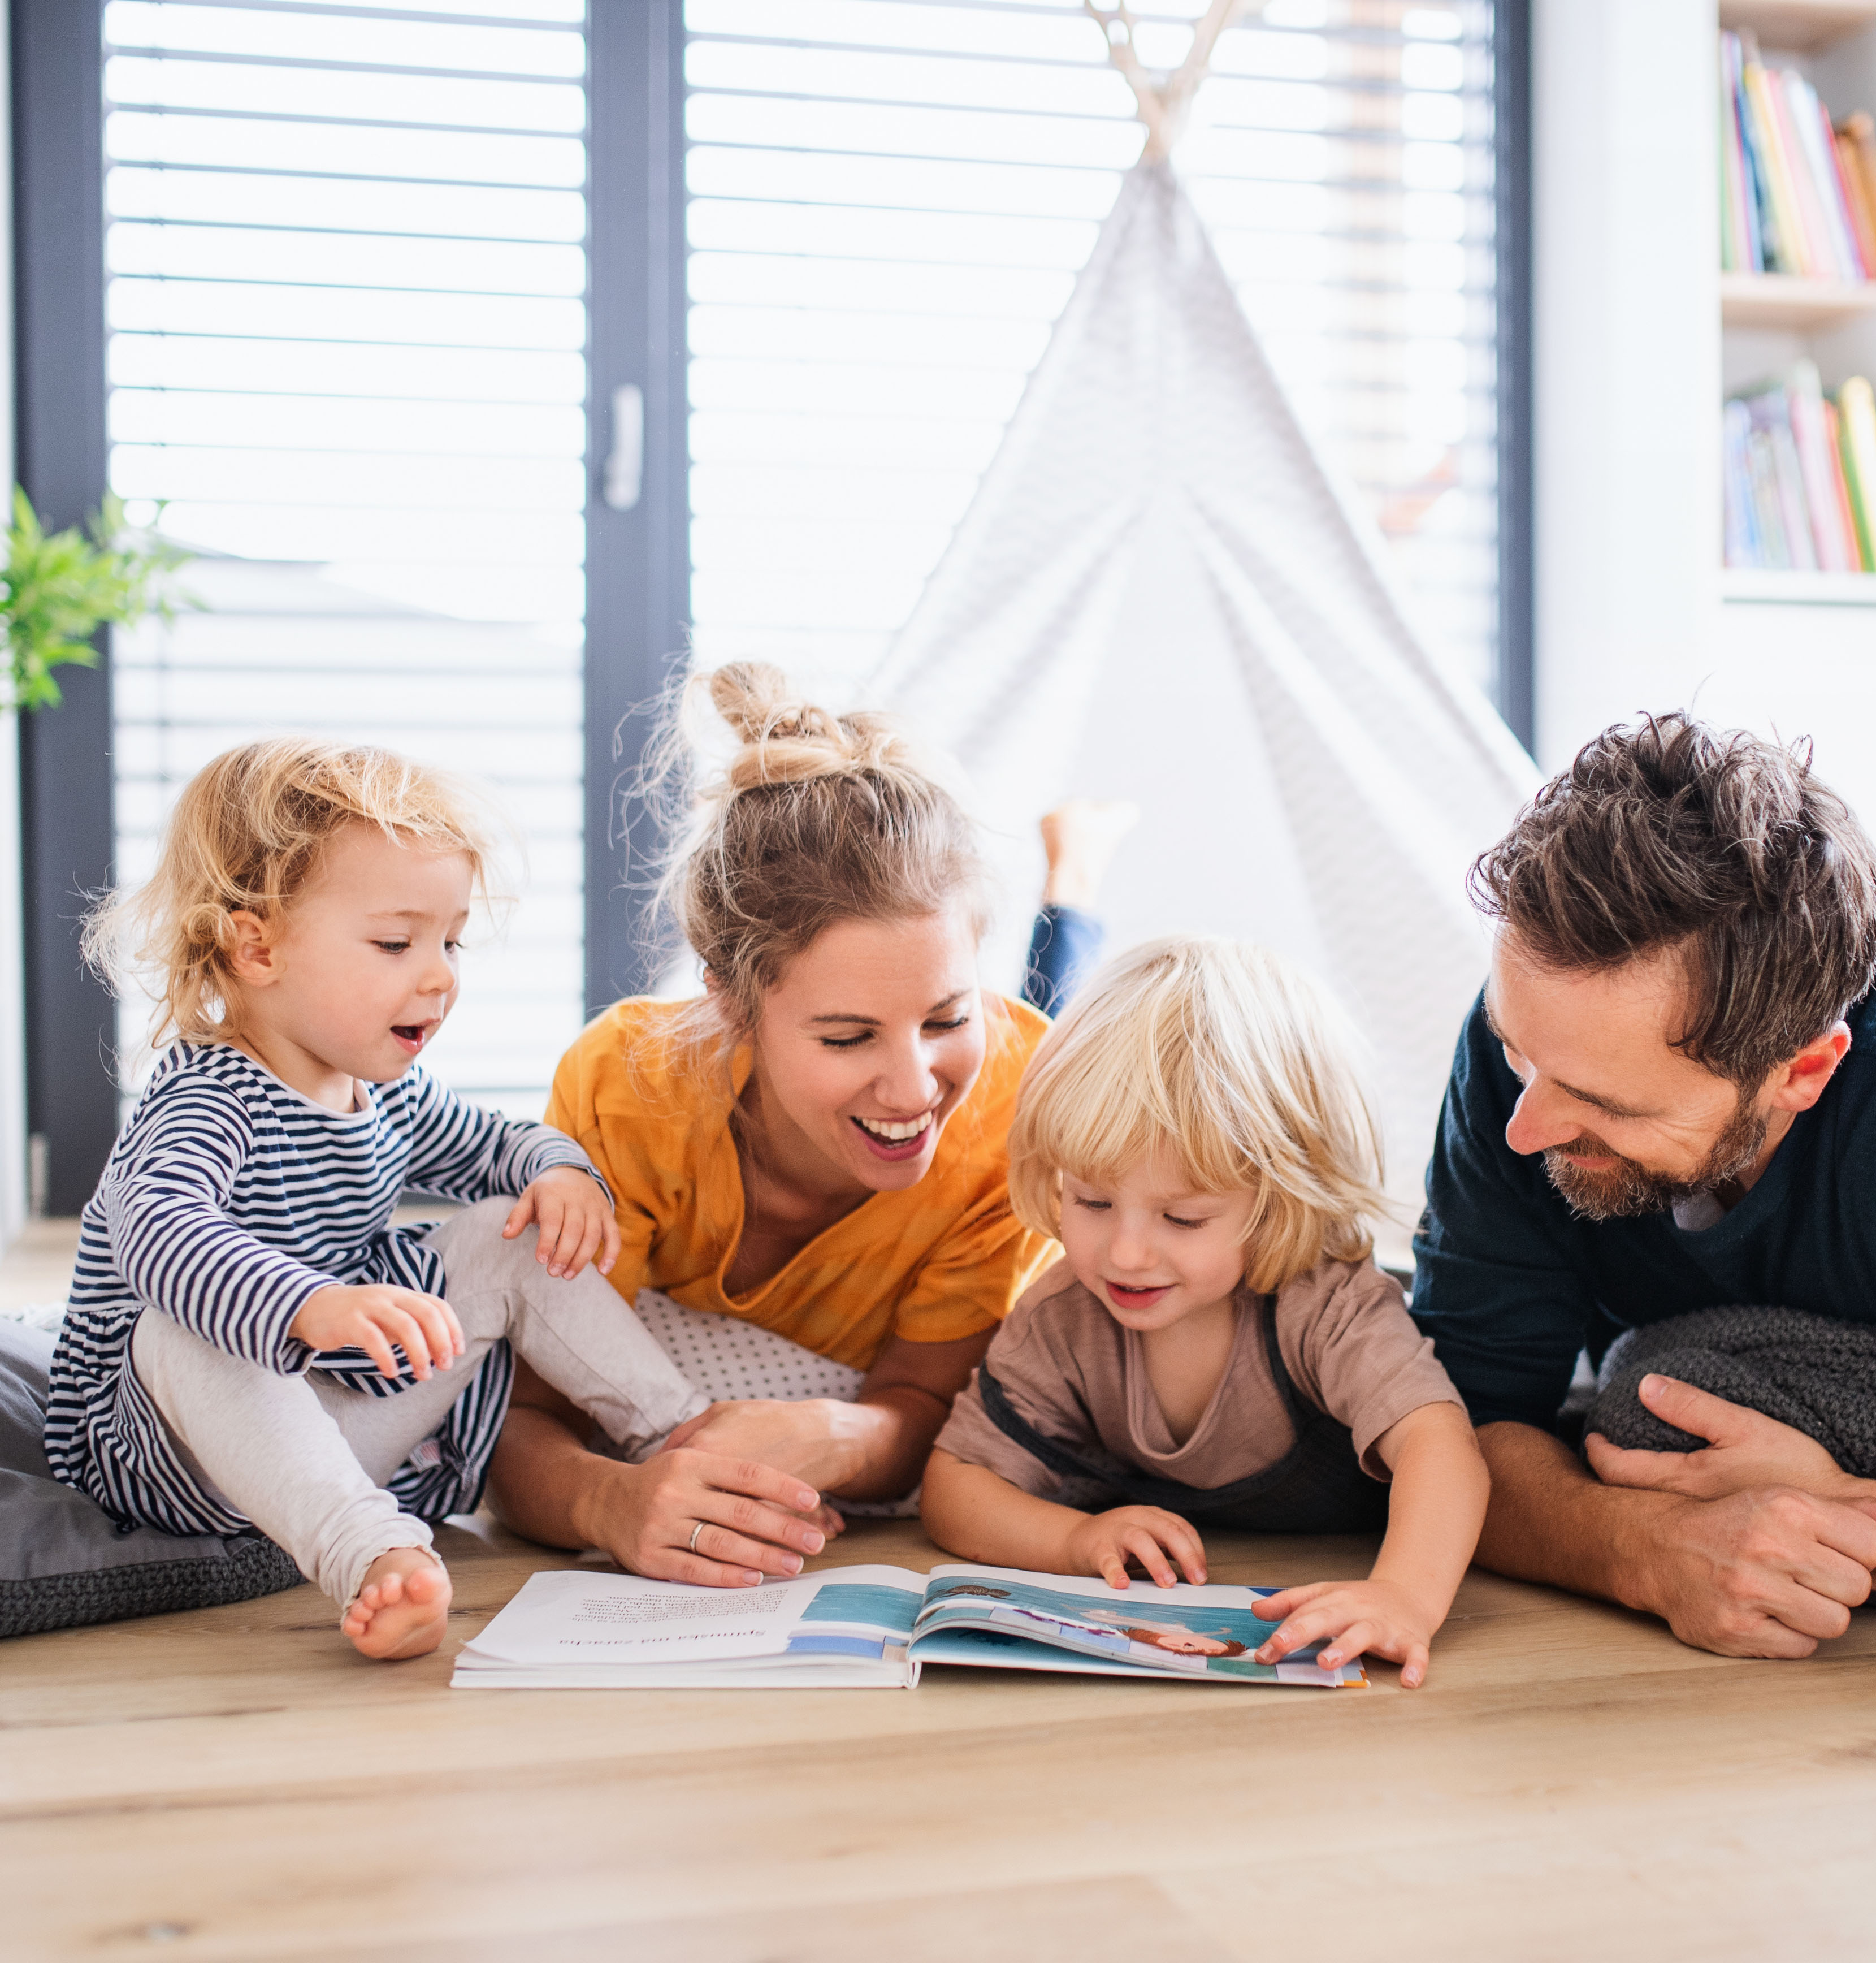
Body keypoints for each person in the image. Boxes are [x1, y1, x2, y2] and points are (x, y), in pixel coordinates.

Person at [42, 740, 782, 1660]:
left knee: (503, 1231)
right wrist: (308, 1305)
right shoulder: (207, 1101)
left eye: (450, 940)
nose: (439, 976)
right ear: (256, 945)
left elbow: (498, 1143)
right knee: (176, 1325)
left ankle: (679, 1433)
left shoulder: (384, 1093)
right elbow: (157, 1235)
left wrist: (559, 1173)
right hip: (175, 1453)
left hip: (333, 1421)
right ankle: (371, 1551)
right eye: (397, 943)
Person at [1409, 712, 1876, 1659]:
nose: (1525, 1130)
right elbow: (1455, 1429)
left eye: (1606, 1103)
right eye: (1519, 1054)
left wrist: (1861, 1535)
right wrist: (1640, 1551)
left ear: (1803, 1072)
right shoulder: (1535, 1053)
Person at [486, 663, 1073, 1584]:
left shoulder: (1013, 1105)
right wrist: (609, 1503)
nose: (915, 1086)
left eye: (949, 1019)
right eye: (847, 1038)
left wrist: (841, 1433)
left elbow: (930, 1403)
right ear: (731, 1003)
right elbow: (518, 1417)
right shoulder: (630, 1087)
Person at [918, 936, 1488, 1685]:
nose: (1124, 1254)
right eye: (1091, 1200)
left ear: (1280, 1203)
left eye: (1182, 1219)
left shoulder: (1324, 1303)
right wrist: (1077, 1540)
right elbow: (955, 1485)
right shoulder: (1063, 1315)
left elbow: (1444, 1448)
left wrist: (1402, 1597)